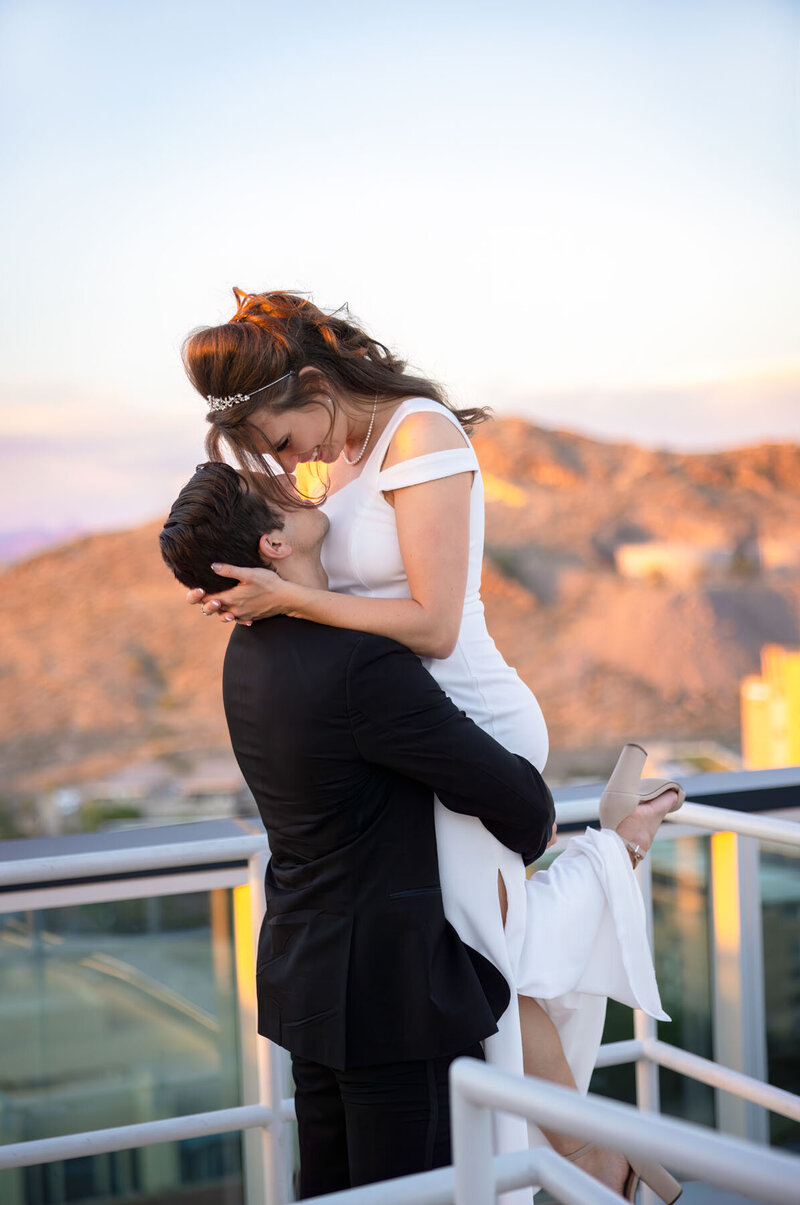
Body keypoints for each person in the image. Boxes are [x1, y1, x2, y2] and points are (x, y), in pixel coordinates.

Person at [180, 290, 684, 1203]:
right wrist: (255, 598)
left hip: (466, 722)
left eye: (284, 441)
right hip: (399, 741)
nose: (293, 466)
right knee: (475, 957)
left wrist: (290, 602)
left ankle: (581, 1160)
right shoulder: (333, 462)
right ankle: (588, 1158)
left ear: (314, 386)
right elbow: (313, 570)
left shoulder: (421, 435)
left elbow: (435, 622)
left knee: (480, 960)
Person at [159, 462, 556, 1197]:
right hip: (390, 1001)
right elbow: (517, 801)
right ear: (273, 544)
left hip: (304, 979)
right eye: (277, 491)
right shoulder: (360, 663)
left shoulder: (242, 654)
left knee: (333, 1190)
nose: (301, 485)